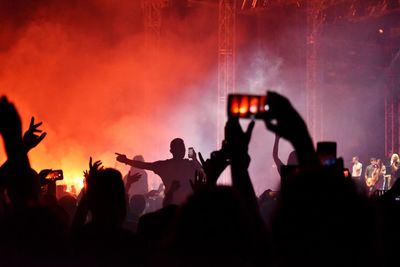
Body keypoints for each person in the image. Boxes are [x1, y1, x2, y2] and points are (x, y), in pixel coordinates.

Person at [116, 138, 202, 205]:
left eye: (182, 147)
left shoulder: (164, 166)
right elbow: (206, 174)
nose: (182, 150)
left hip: (171, 206)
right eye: (181, 147)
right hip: (189, 206)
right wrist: (195, 159)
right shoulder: (191, 165)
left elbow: (144, 165)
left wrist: (126, 160)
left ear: (171, 151)